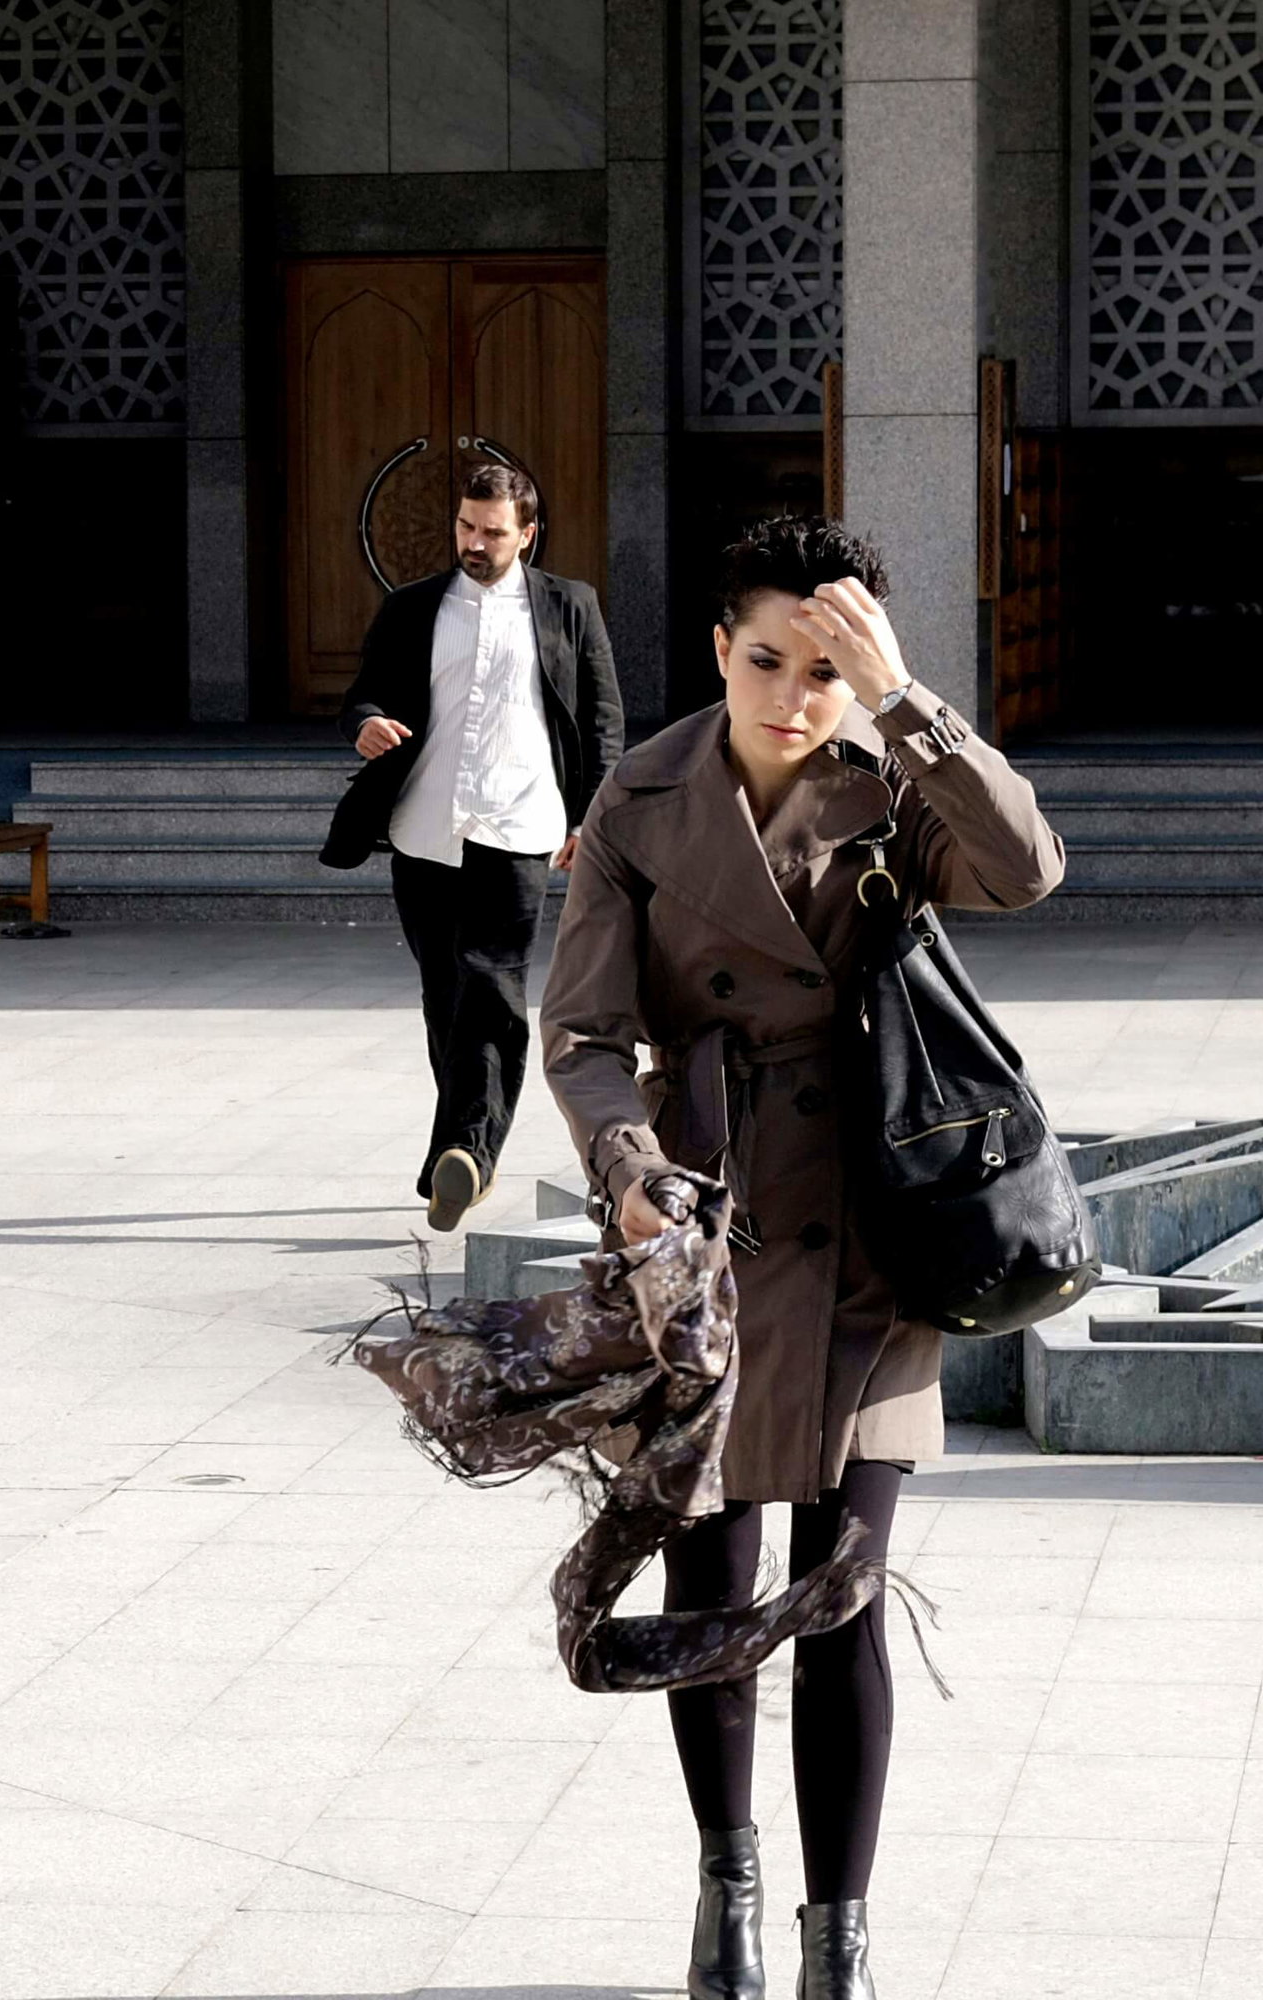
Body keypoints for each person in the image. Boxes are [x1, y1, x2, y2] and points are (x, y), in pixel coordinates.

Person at [539, 517, 1064, 1999]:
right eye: (767, 661)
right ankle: (729, 1890)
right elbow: (580, 1032)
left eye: (825, 673)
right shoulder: (640, 800)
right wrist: (629, 1173)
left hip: (873, 1231)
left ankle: (842, 1940)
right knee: (711, 1595)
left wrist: (906, 702)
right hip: (701, 1236)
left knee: (843, 1591)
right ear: (720, 649)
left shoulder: (894, 782)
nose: (792, 697)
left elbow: (1026, 868)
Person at [322, 462, 625, 1232]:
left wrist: (589, 818)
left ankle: (466, 1153)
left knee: (491, 984)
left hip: (519, 827)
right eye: (466, 526)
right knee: (445, 997)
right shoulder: (414, 607)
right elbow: (363, 694)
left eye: (492, 531)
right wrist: (365, 723)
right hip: (423, 828)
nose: (475, 542)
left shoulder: (569, 606)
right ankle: (462, 1147)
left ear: (527, 534)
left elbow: (602, 720)